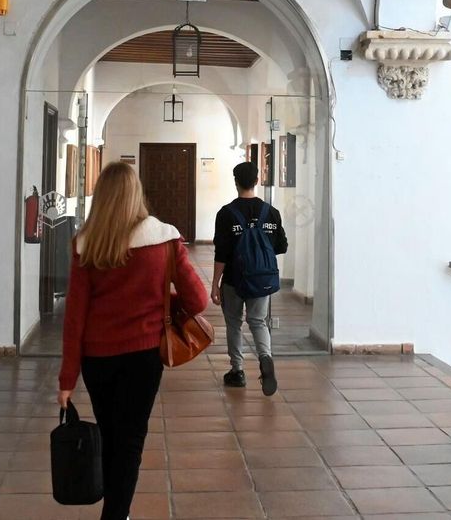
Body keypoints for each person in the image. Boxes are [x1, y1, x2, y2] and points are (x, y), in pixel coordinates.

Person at [59, 161, 207, 520]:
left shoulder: (86, 245)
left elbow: (75, 316)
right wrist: (162, 300)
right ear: (136, 194)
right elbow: (199, 300)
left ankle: (117, 511)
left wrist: (67, 381)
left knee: (111, 433)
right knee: (130, 440)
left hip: (97, 358)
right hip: (143, 356)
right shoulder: (165, 239)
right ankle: (116, 514)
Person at [211, 160, 289, 396]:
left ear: (236, 182)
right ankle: (265, 358)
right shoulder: (271, 212)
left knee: (234, 322)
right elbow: (282, 246)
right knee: (258, 321)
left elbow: (221, 253)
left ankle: (238, 371)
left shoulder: (226, 214)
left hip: (235, 279)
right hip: (261, 279)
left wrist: (215, 284)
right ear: (257, 181)